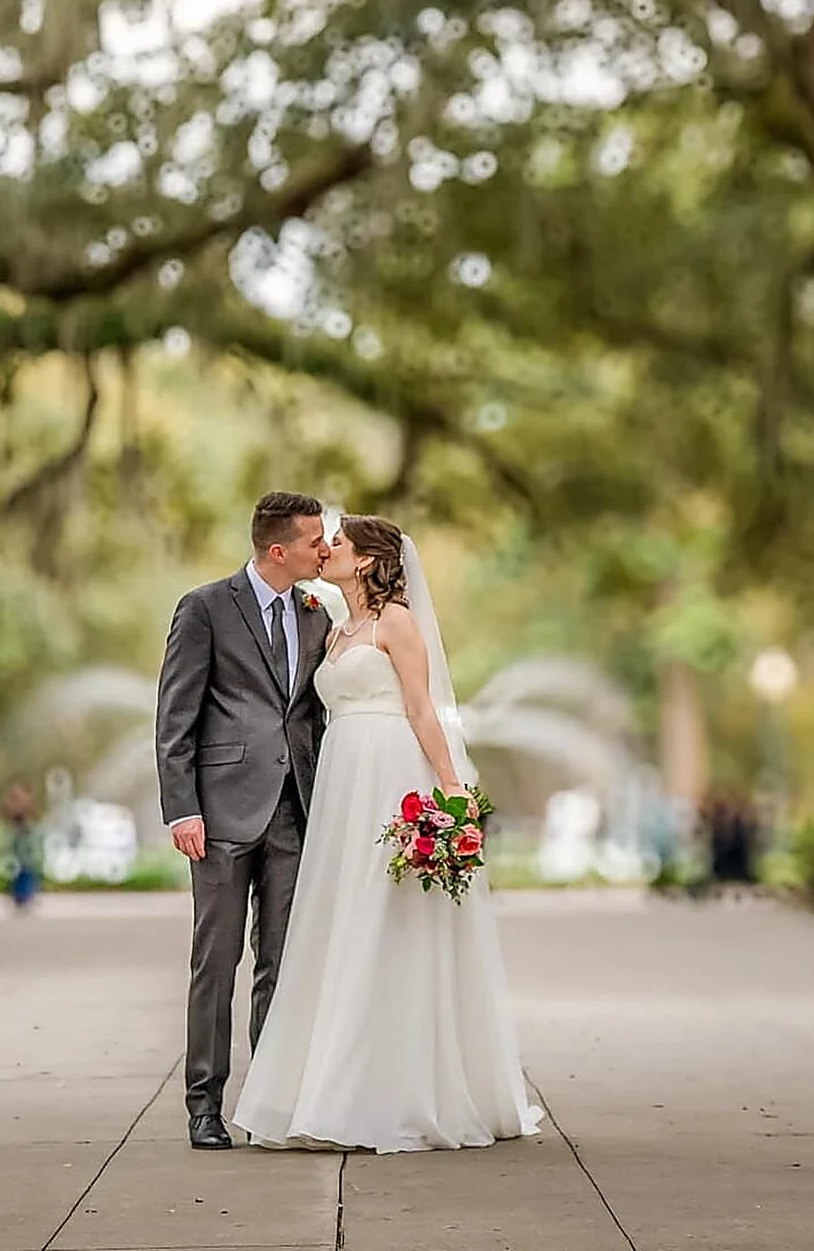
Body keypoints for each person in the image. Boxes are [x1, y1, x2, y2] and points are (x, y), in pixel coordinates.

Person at [232, 515, 541, 1153]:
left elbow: (422, 709)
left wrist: (453, 788)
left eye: (337, 544)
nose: (327, 550)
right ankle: (318, 1086)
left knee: (383, 918)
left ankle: (380, 1092)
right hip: (342, 781)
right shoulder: (336, 628)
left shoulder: (395, 622)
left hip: (389, 771)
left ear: (370, 561)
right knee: (337, 919)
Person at [155, 492, 331, 1152]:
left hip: (295, 811)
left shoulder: (316, 615)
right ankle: (204, 1103)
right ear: (278, 549)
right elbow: (175, 714)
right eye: (315, 540)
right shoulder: (204, 607)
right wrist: (182, 806)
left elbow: (310, 715)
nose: (325, 547)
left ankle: (269, 1098)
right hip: (220, 814)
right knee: (216, 960)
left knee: (280, 963)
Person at [2, 781, 43, 910]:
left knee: (28, 871)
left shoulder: (26, 808)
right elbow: (15, 822)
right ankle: (21, 897)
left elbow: (34, 820)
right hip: (20, 846)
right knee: (21, 871)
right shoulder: (17, 808)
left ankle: (27, 896)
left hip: (28, 847)